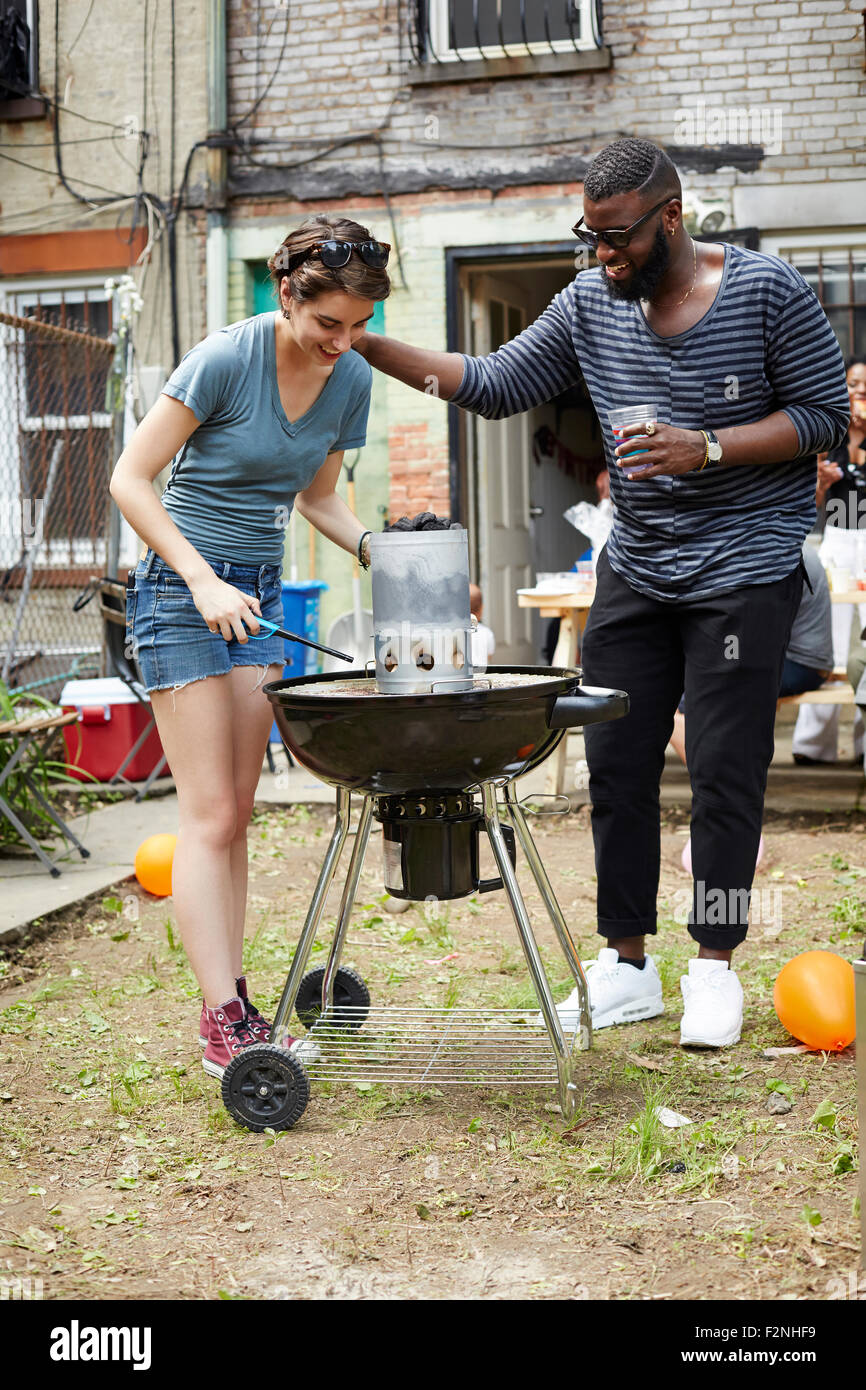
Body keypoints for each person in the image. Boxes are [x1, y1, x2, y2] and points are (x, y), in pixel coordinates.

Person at [354, 138, 849, 1048]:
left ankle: (714, 966)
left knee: (725, 770)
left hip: (744, 567)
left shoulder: (767, 292)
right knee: (615, 765)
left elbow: (826, 421)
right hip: (639, 565)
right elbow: (497, 385)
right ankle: (626, 964)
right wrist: (367, 341)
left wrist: (705, 445)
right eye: (590, 235)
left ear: (672, 218)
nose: (602, 255)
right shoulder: (589, 304)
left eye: (617, 237)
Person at [110, 215, 390, 1078]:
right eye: (327, 325)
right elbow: (130, 476)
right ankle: (222, 1017)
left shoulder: (348, 381)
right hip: (181, 586)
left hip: (256, 595)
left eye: (358, 326)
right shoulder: (228, 357)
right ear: (288, 296)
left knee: (238, 814)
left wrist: (391, 554)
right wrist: (198, 577)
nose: (342, 343)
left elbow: (318, 501)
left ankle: (233, 1002)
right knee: (210, 816)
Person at [671, 542, 835, 868]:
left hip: (800, 662)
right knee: (705, 693)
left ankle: (726, 793)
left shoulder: (776, 551)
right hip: (795, 657)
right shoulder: (780, 540)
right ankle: (728, 790)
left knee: (679, 705)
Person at [791, 355, 866, 766]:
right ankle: (812, 744)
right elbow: (810, 504)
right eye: (854, 384)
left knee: (865, 644)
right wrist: (820, 484)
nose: (860, 393)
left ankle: (862, 744)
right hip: (837, 534)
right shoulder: (831, 434)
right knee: (832, 641)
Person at [469, 582, 496, 670]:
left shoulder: (452, 632)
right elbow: (488, 657)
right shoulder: (487, 633)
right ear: (481, 609)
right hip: (481, 678)